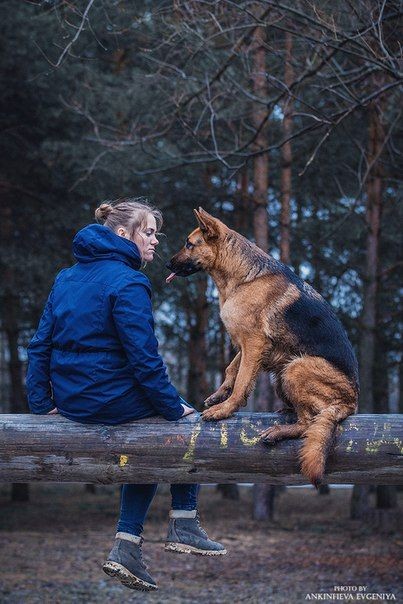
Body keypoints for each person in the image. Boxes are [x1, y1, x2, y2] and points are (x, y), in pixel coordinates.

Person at [26, 198, 226, 592]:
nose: (155, 242)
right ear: (123, 234)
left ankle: (128, 545)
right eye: (148, 232)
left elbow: (39, 346)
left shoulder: (66, 277)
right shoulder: (129, 281)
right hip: (109, 398)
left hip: (71, 401)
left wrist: (41, 403)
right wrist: (173, 408)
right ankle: (183, 520)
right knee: (187, 422)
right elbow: (144, 358)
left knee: (157, 426)